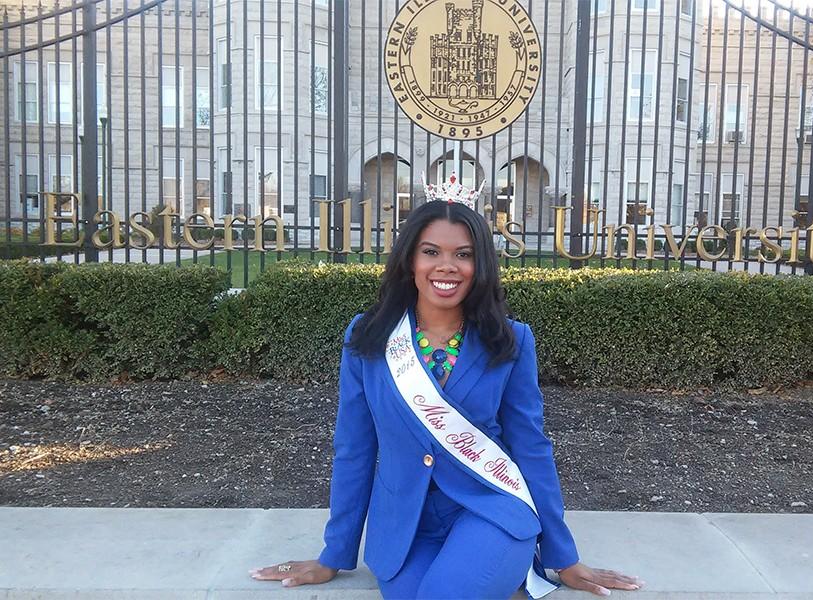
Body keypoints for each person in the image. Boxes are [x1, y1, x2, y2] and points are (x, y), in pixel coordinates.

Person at [249, 176, 643, 599]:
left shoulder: (511, 340)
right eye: (431, 251)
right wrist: (335, 554)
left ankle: (507, 566)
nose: (446, 266)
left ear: (481, 265)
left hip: (490, 510)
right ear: (410, 261)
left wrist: (563, 556)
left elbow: (531, 446)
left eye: (464, 254)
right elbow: (354, 447)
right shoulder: (368, 337)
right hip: (405, 526)